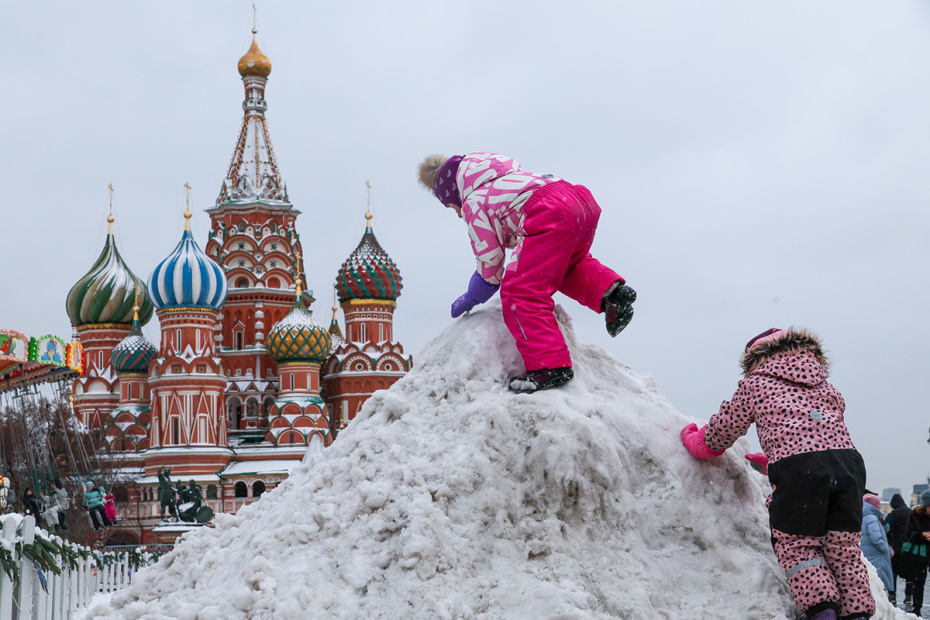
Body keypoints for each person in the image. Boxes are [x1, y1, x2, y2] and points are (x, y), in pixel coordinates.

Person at [680, 327, 874, 620]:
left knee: (799, 546)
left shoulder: (756, 384)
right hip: (849, 469)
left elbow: (720, 435)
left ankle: (823, 615)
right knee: (843, 548)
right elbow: (818, 438)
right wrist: (774, 463)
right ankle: (856, 616)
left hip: (800, 470)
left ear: (755, 358)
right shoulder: (829, 389)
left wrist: (692, 438)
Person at [417, 152, 637, 393]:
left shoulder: (474, 201)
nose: (458, 214)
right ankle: (612, 295)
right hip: (576, 199)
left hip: (547, 210)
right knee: (564, 265)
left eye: (452, 208)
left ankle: (550, 366)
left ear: (454, 195)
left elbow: (490, 262)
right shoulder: (504, 180)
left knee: (520, 290)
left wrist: (472, 295)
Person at [861, 493, 894, 596]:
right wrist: (885, 550)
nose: (880, 507)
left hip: (868, 554)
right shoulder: (872, 518)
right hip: (877, 557)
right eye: (878, 504)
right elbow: (876, 538)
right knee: (879, 587)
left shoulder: (863, 517)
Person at [904, 491, 930, 617]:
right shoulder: (915, 515)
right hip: (920, 554)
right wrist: (923, 535)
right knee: (919, 582)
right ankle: (917, 608)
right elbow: (909, 534)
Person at [884, 493, 912, 606]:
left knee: (893, 573)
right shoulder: (911, 512)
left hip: (895, 547)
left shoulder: (893, 514)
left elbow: (886, 528)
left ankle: (892, 596)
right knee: (909, 573)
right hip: (909, 547)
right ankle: (908, 597)